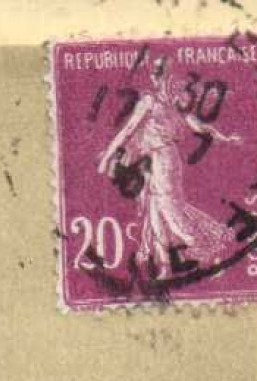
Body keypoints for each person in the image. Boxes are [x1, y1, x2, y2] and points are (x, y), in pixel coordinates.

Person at [96, 57, 242, 281]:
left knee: (169, 209)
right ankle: (164, 267)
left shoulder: (154, 102)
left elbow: (128, 130)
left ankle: (201, 244)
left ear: (166, 74)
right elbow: (195, 124)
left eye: (158, 72)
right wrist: (224, 138)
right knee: (155, 213)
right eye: (153, 72)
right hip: (158, 160)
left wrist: (106, 157)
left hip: (165, 159)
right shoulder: (169, 102)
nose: (154, 76)